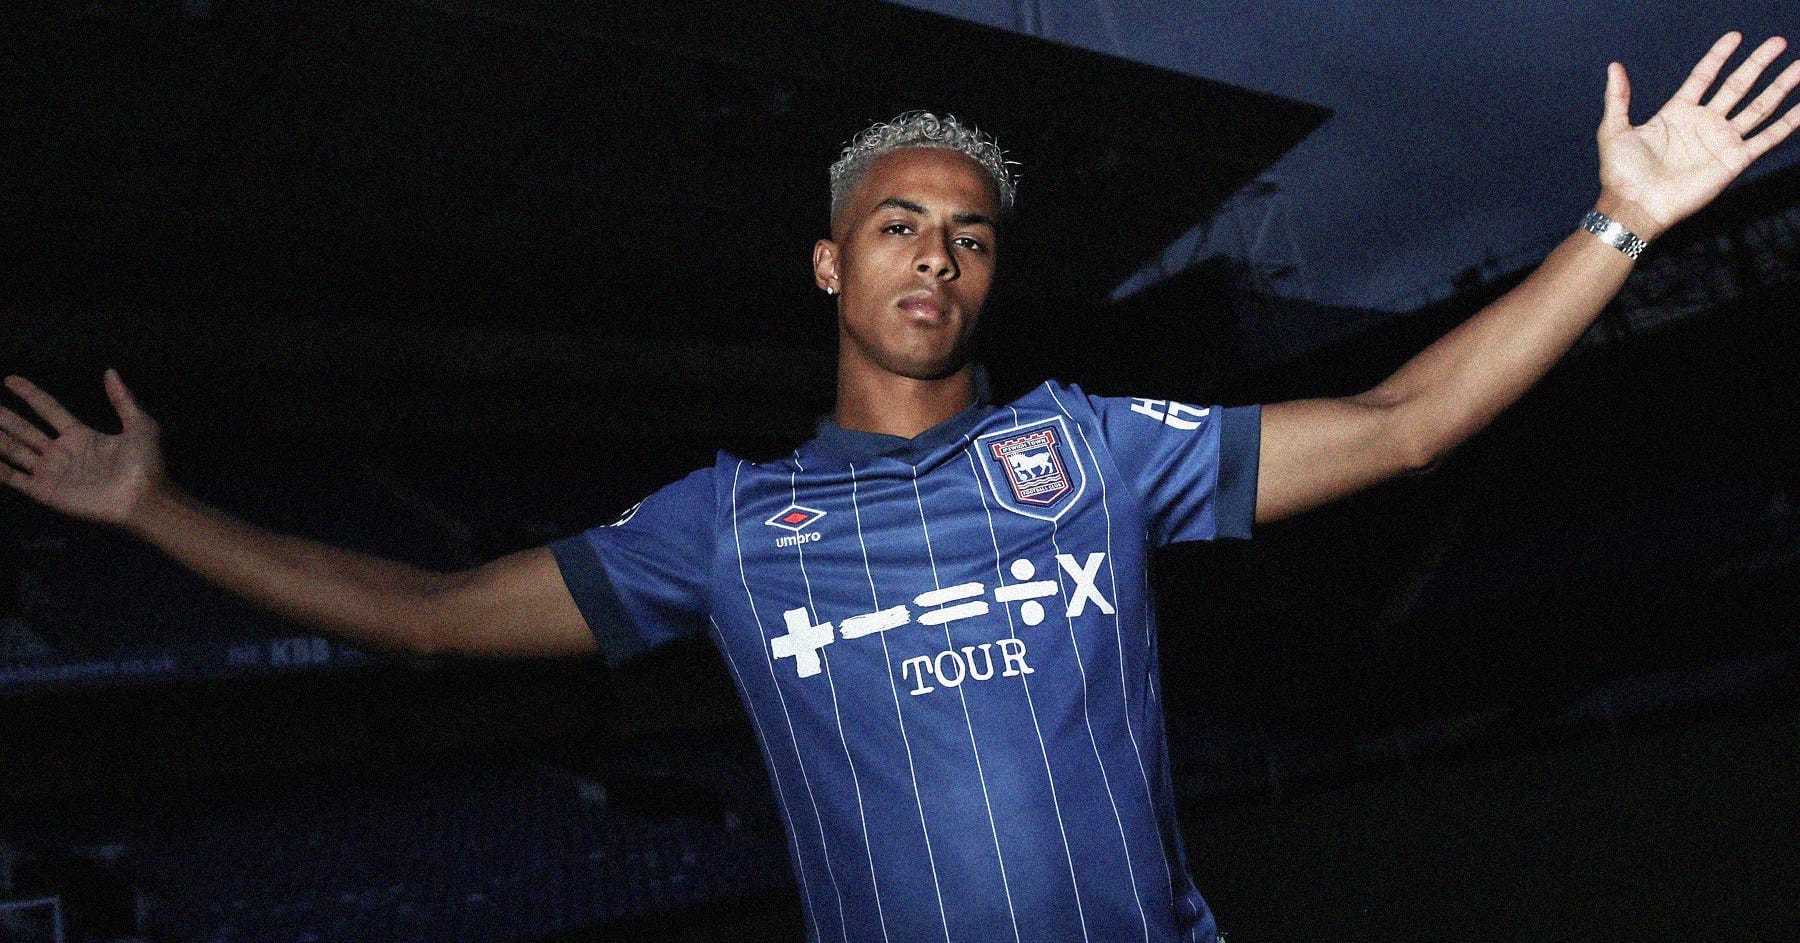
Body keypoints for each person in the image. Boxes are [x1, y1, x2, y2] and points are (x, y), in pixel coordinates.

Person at [3, 32, 1796, 943]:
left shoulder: (1093, 452)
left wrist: (1621, 222)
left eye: (967, 237)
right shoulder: (724, 525)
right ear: (829, 268)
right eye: (894, 228)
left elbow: (1404, 419)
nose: (933, 260)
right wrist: (153, 511)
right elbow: (430, 614)